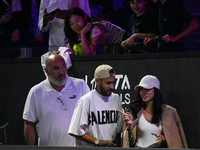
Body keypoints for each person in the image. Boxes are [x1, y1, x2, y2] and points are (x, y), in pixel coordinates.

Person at [23, 53, 90, 146]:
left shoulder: (81, 86)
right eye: (56, 68)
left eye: (63, 67)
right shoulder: (36, 92)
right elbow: (29, 123)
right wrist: (30, 149)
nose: (62, 72)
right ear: (46, 71)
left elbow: (91, 118)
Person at [118, 75, 188, 148]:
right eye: (141, 89)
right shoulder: (134, 111)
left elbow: (174, 140)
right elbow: (130, 143)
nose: (143, 92)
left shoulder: (169, 112)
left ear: (156, 90)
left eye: (147, 89)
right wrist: (129, 126)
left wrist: (164, 139)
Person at [68, 64, 123, 146]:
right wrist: (98, 142)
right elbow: (75, 131)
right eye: (108, 83)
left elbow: (118, 130)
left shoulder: (116, 99)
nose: (112, 86)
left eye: (113, 82)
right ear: (97, 81)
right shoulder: (86, 100)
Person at [64, 7, 130, 56]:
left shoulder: (95, 29)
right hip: (109, 45)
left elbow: (88, 54)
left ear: (85, 18)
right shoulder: (78, 30)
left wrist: (83, 34)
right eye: (71, 24)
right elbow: (69, 49)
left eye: (77, 21)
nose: (75, 26)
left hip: (123, 41)